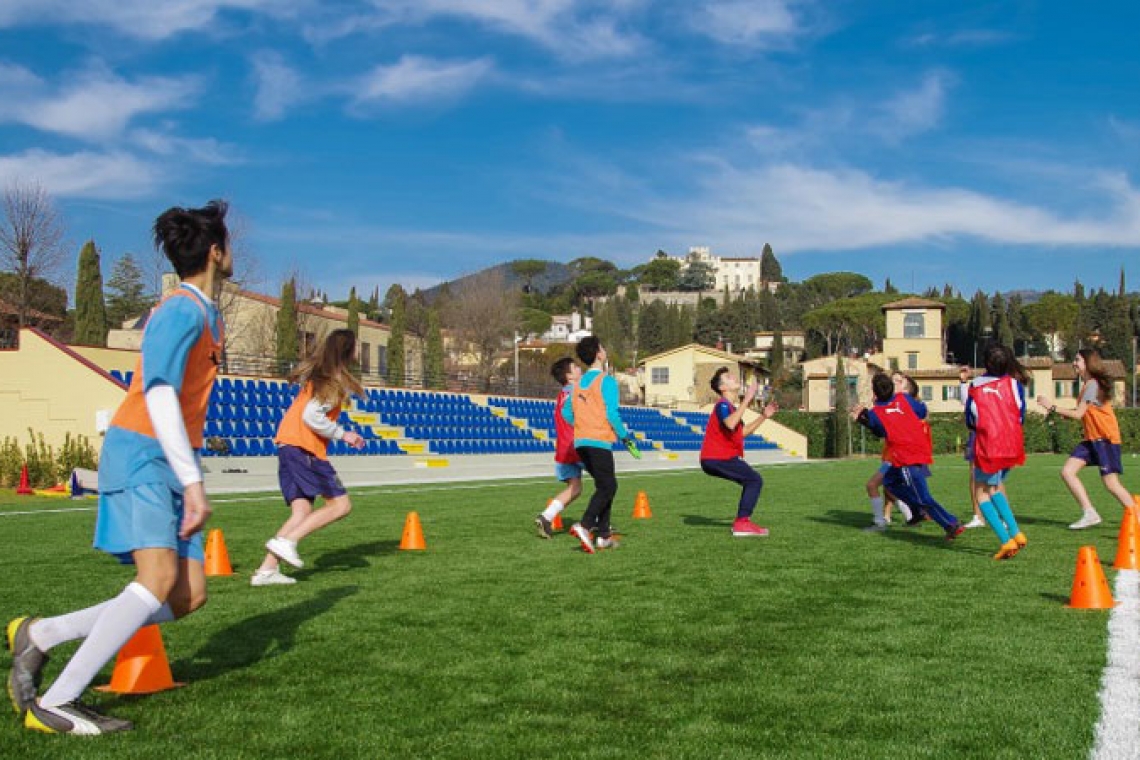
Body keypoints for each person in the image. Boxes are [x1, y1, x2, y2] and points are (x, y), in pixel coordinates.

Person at [6, 201, 231, 734]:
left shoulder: (209, 312)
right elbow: (157, 394)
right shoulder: (179, 310)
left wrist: (189, 472)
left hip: (173, 459)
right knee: (154, 582)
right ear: (217, 252)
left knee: (187, 595)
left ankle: (41, 635)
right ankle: (58, 701)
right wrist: (193, 483)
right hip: (142, 451)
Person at [252, 329, 366, 585]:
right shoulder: (333, 381)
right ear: (347, 349)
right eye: (357, 345)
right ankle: (289, 542)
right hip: (305, 448)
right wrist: (343, 434)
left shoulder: (321, 376)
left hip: (288, 446)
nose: (359, 351)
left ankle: (266, 571)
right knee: (340, 505)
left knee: (301, 512)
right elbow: (311, 416)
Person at [853, 373, 964, 541]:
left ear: (874, 393)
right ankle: (917, 511)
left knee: (922, 497)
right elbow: (922, 412)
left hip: (906, 456)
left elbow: (879, 431)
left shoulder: (876, 412)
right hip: (916, 450)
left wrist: (863, 419)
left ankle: (951, 524)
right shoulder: (904, 399)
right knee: (890, 482)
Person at [1037, 348, 1134, 529]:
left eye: (1077, 360)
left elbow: (1079, 414)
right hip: (1092, 440)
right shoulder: (1087, 386)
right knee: (1067, 472)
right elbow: (1084, 414)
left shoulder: (1092, 385)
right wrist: (1064, 414)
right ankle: (1090, 513)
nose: (1074, 363)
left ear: (1088, 363)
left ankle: (1135, 515)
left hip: (1105, 439)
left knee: (1111, 484)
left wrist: (1052, 407)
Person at [561, 336, 634, 553]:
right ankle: (584, 525)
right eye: (602, 347)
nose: (604, 350)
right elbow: (612, 413)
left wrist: (583, 425)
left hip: (581, 442)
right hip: (599, 441)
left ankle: (603, 536)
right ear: (598, 354)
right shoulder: (606, 381)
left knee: (604, 485)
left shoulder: (577, 385)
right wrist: (625, 436)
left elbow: (566, 413)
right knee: (609, 486)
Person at [965, 345, 1028, 559]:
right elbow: (1021, 414)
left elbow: (971, 418)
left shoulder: (976, 385)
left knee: (980, 492)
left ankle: (1005, 540)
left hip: (989, 444)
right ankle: (1016, 533)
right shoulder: (1014, 384)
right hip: (1011, 444)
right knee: (994, 489)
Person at [699, 367, 778, 537]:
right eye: (728, 377)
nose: (734, 377)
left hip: (718, 458)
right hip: (716, 458)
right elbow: (730, 424)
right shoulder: (722, 405)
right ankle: (742, 523)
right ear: (723, 388)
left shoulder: (731, 408)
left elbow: (741, 432)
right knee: (754, 480)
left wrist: (763, 416)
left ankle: (742, 521)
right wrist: (748, 398)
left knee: (752, 480)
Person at [535, 357, 583, 539]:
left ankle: (546, 517)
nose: (580, 369)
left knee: (575, 488)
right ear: (569, 376)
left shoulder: (562, 394)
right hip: (578, 445)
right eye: (576, 367)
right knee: (605, 482)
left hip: (563, 448)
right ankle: (598, 523)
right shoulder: (577, 392)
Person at [863, 371, 917, 531]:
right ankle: (910, 515)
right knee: (890, 488)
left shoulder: (901, 404)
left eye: (898, 381)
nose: (896, 383)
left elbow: (882, 429)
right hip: (894, 454)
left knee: (874, 485)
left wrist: (867, 418)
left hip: (897, 456)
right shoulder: (894, 405)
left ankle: (883, 521)